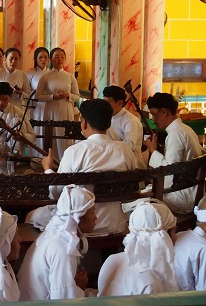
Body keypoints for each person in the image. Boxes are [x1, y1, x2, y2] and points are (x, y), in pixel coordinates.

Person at [41, 99, 141, 235]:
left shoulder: (74, 152)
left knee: (32, 217)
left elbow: (57, 192)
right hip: (115, 223)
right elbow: (134, 188)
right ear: (109, 123)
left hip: (80, 225)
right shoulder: (125, 151)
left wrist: (48, 169)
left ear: (85, 123)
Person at [18, 185, 97, 301]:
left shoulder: (54, 235)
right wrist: (78, 287)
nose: (96, 218)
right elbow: (63, 300)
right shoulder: (62, 248)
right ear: (78, 217)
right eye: (92, 213)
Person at [97, 199, 179, 296]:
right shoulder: (151, 285)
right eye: (174, 231)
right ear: (165, 236)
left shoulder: (112, 259)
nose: (176, 237)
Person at [145, 92, 206, 213]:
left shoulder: (175, 135)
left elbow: (170, 170)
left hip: (182, 195)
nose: (153, 119)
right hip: (191, 189)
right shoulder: (185, 129)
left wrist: (153, 150)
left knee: (135, 201)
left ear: (164, 112)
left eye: (153, 114)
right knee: (143, 193)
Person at [36, 47, 80, 160]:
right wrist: (52, 96)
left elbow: (77, 96)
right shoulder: (46, 76)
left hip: (66, 110)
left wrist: (68, 95)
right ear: (51, 59)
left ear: (65, 59)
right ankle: (52, 163)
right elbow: (38, 96)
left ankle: (66, 162)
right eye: (56, 57)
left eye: (62, 57)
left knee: (65, 137)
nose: (59, 59)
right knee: (52, 137)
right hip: (51, 110)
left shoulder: (70, 77)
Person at [103, 85, 143, 153]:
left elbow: (129, 145)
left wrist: (106, 145)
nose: (105, 105)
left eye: (108, 102)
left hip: (129, 160)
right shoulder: (106, 118)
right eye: (104, 102)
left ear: (120, 103)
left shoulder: (131, 121)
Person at [26, 47, 49, 157]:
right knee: (37, 130)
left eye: (45, 57)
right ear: (35, 59)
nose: (43, 60)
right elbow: (27, 92)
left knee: (48, 130)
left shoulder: (51, 73)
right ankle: (35, 156)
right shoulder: (30, 74)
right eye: (40, 57)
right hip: (36, 107)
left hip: (49, 106)